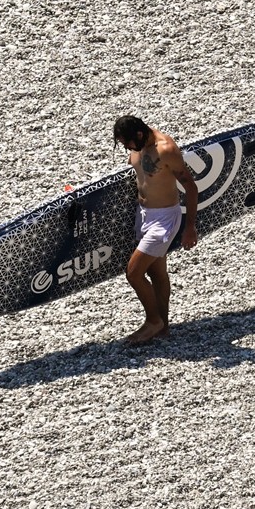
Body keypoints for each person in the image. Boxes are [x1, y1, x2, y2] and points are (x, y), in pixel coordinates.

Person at [113, 115, 199, 344]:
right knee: (156, 273)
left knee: (133, 273)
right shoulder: (138, 144)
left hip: (164, 219)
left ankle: (153, 321)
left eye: (127, 143)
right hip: (143, 216)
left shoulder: (166, 149)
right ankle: (163, 327)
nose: (126, 148)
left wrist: (189, 227)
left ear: (139, 135)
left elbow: (190, 186)